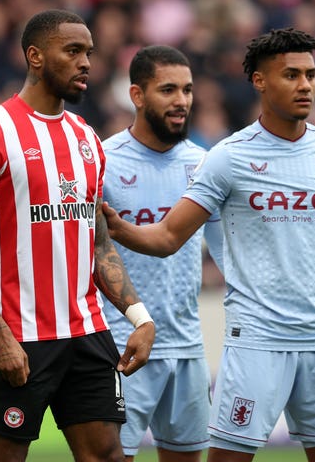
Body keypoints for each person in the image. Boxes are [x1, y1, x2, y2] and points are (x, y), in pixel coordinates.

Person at [102, 28, 315, 462]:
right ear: (260, 82)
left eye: (310, 75)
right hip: (257, 342)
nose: (305, 85)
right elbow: (170, 235)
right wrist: (119, 228)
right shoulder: (227, 157)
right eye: (291, 75)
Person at [0, 9, 155, 462]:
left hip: (88, 332)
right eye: (73, 51)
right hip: (21, 337)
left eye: (90, 53)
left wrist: (139, 316)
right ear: (35, 56)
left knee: (107, 455)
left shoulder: (87, 139)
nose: (86, 63)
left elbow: (98, 245)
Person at [102, 45, 223, 462]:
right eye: (168, 89)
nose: (181, 101)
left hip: (187, 346)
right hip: (122, 344)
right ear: (137, 95)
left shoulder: (204, 164)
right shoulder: (103, 161)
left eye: (187, 90)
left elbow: (226, 251)